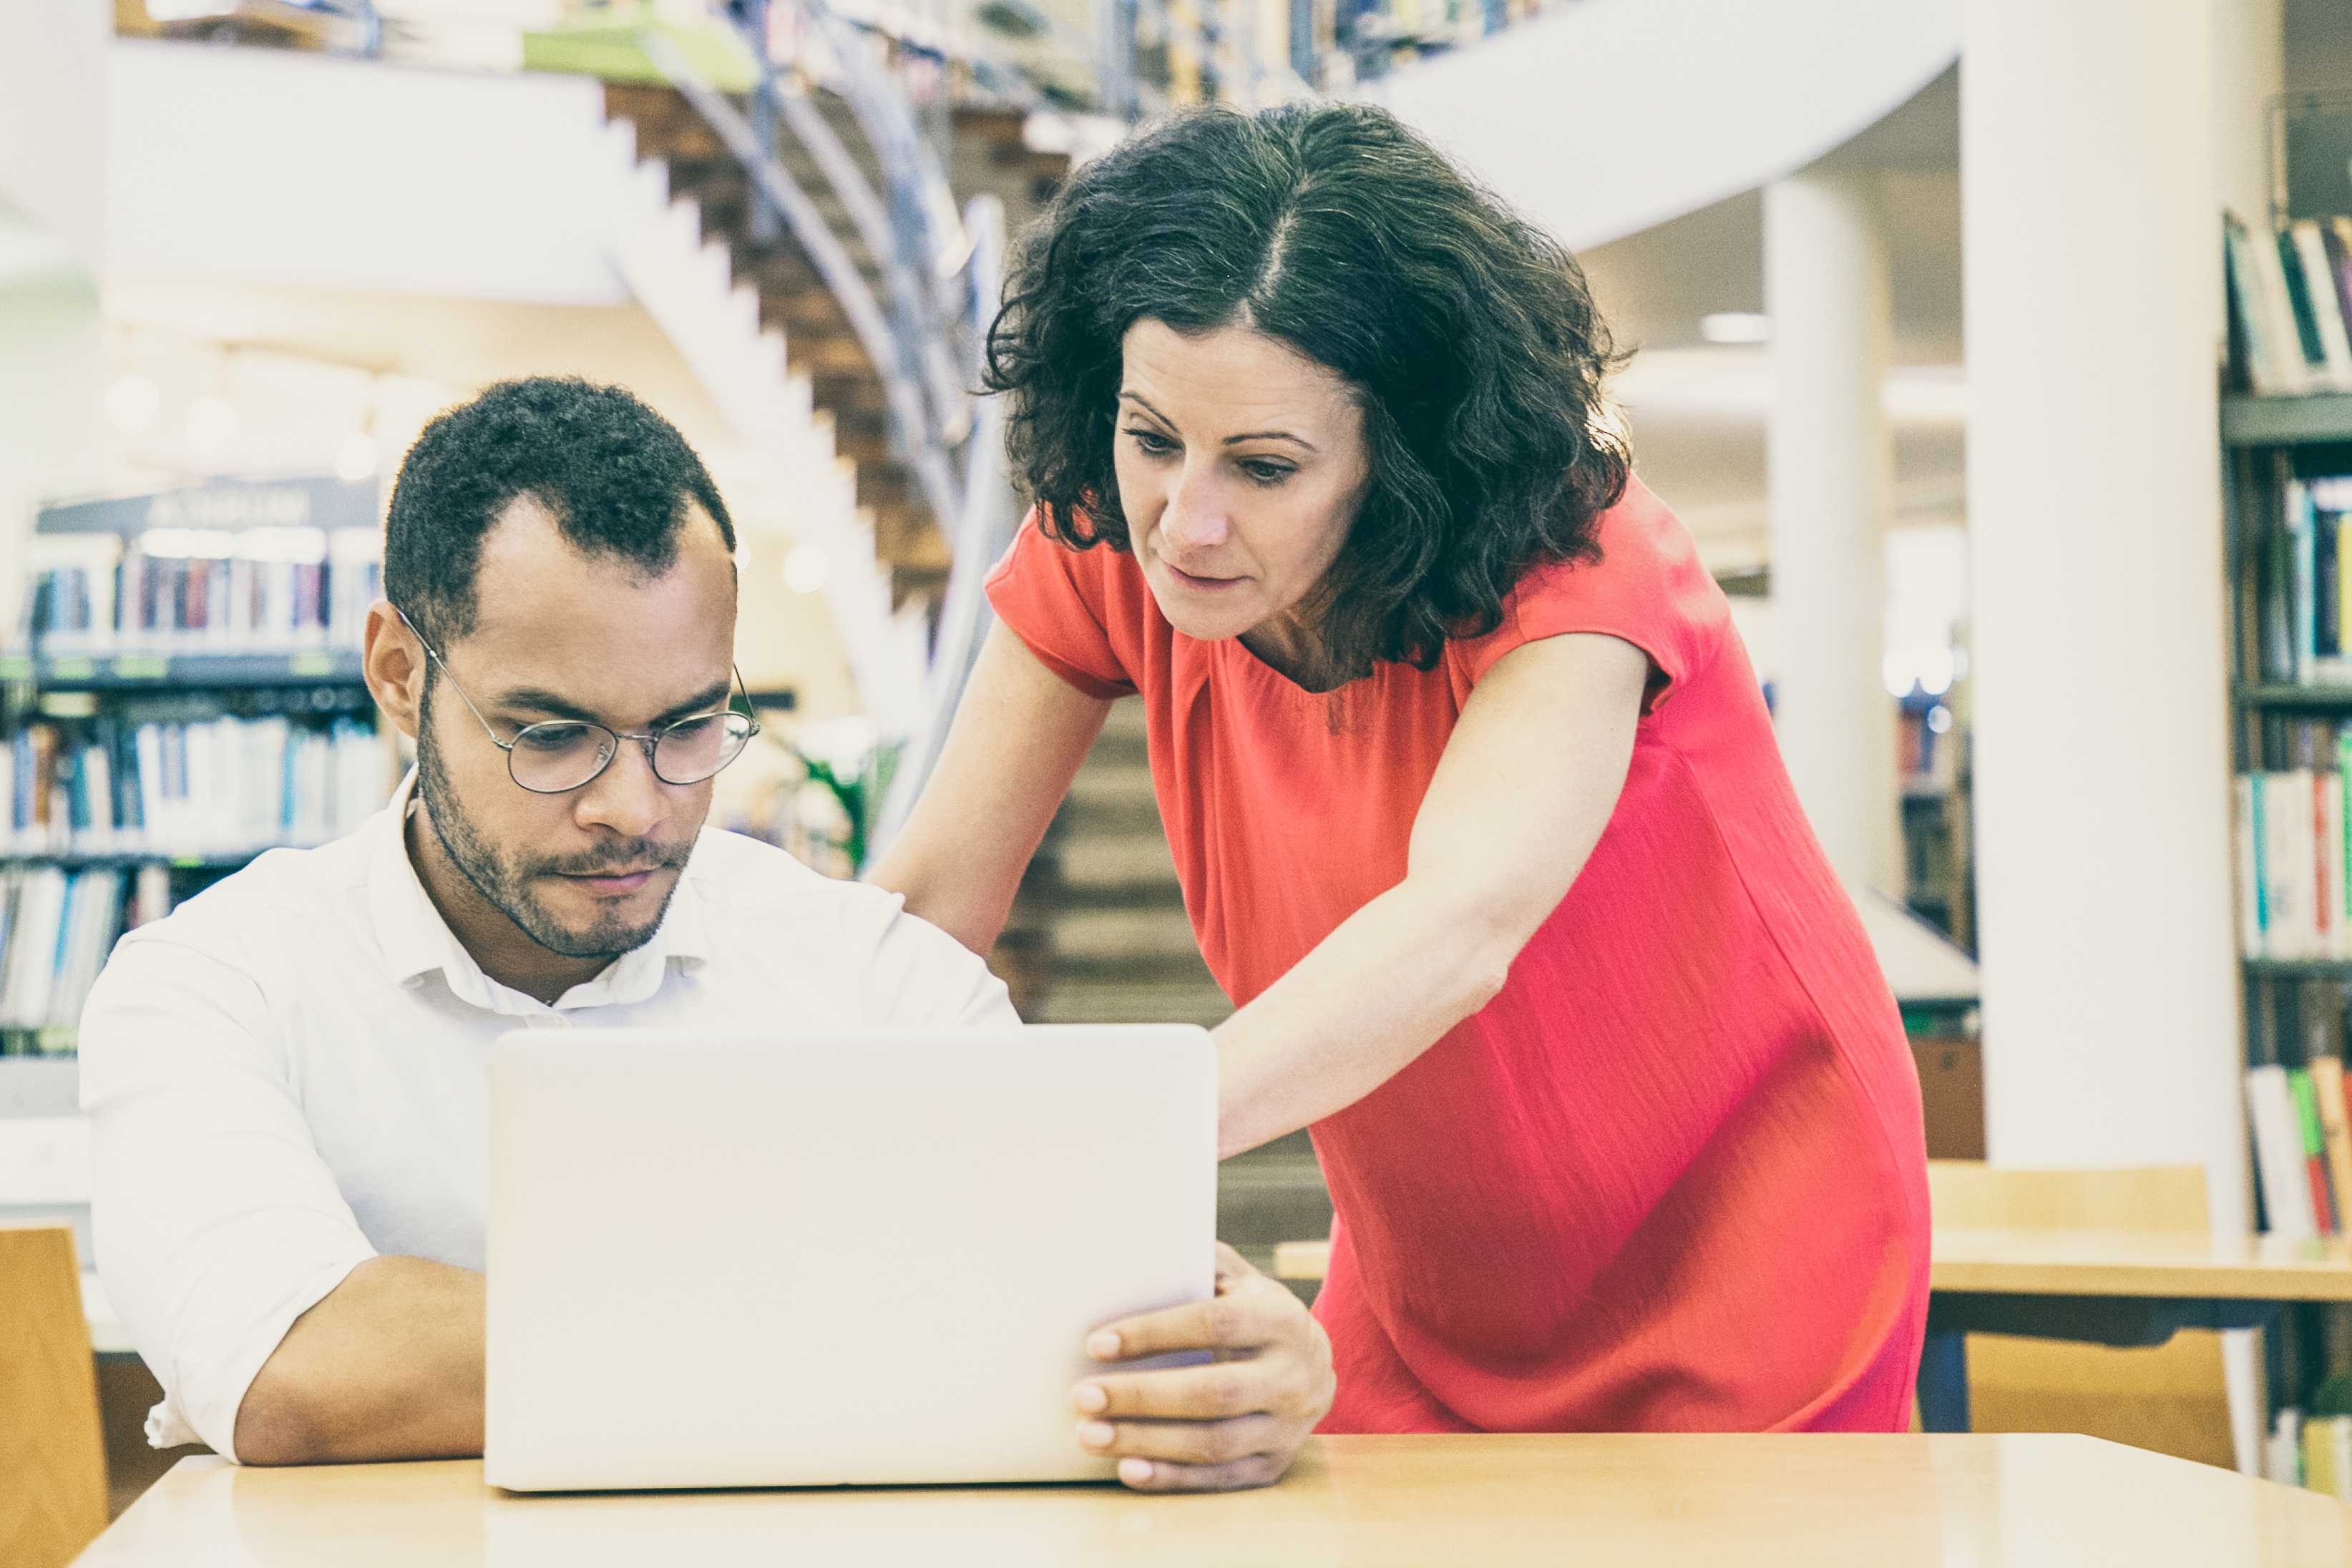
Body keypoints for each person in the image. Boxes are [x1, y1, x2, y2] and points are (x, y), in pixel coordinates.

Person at [872, 104, 1931, 1435]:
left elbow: (1458, 928)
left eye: (1265, 466)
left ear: (1402, 456)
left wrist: (1114, 1134)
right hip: (1429, 1268)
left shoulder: (1578, 567)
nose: (1185, 522)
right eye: (1153, 440)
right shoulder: (1108, 541)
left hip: (1735, 1235)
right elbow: (929, 903)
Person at [81, 376, 1331, 1491]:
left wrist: (1246, 1366)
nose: (634, 807)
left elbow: (1083, 1315)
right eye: (552, 736)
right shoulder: (210, 985)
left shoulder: (871, 971)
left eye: (688, 729)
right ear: (400, 675)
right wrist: (888, 1326)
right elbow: (291, 1370)